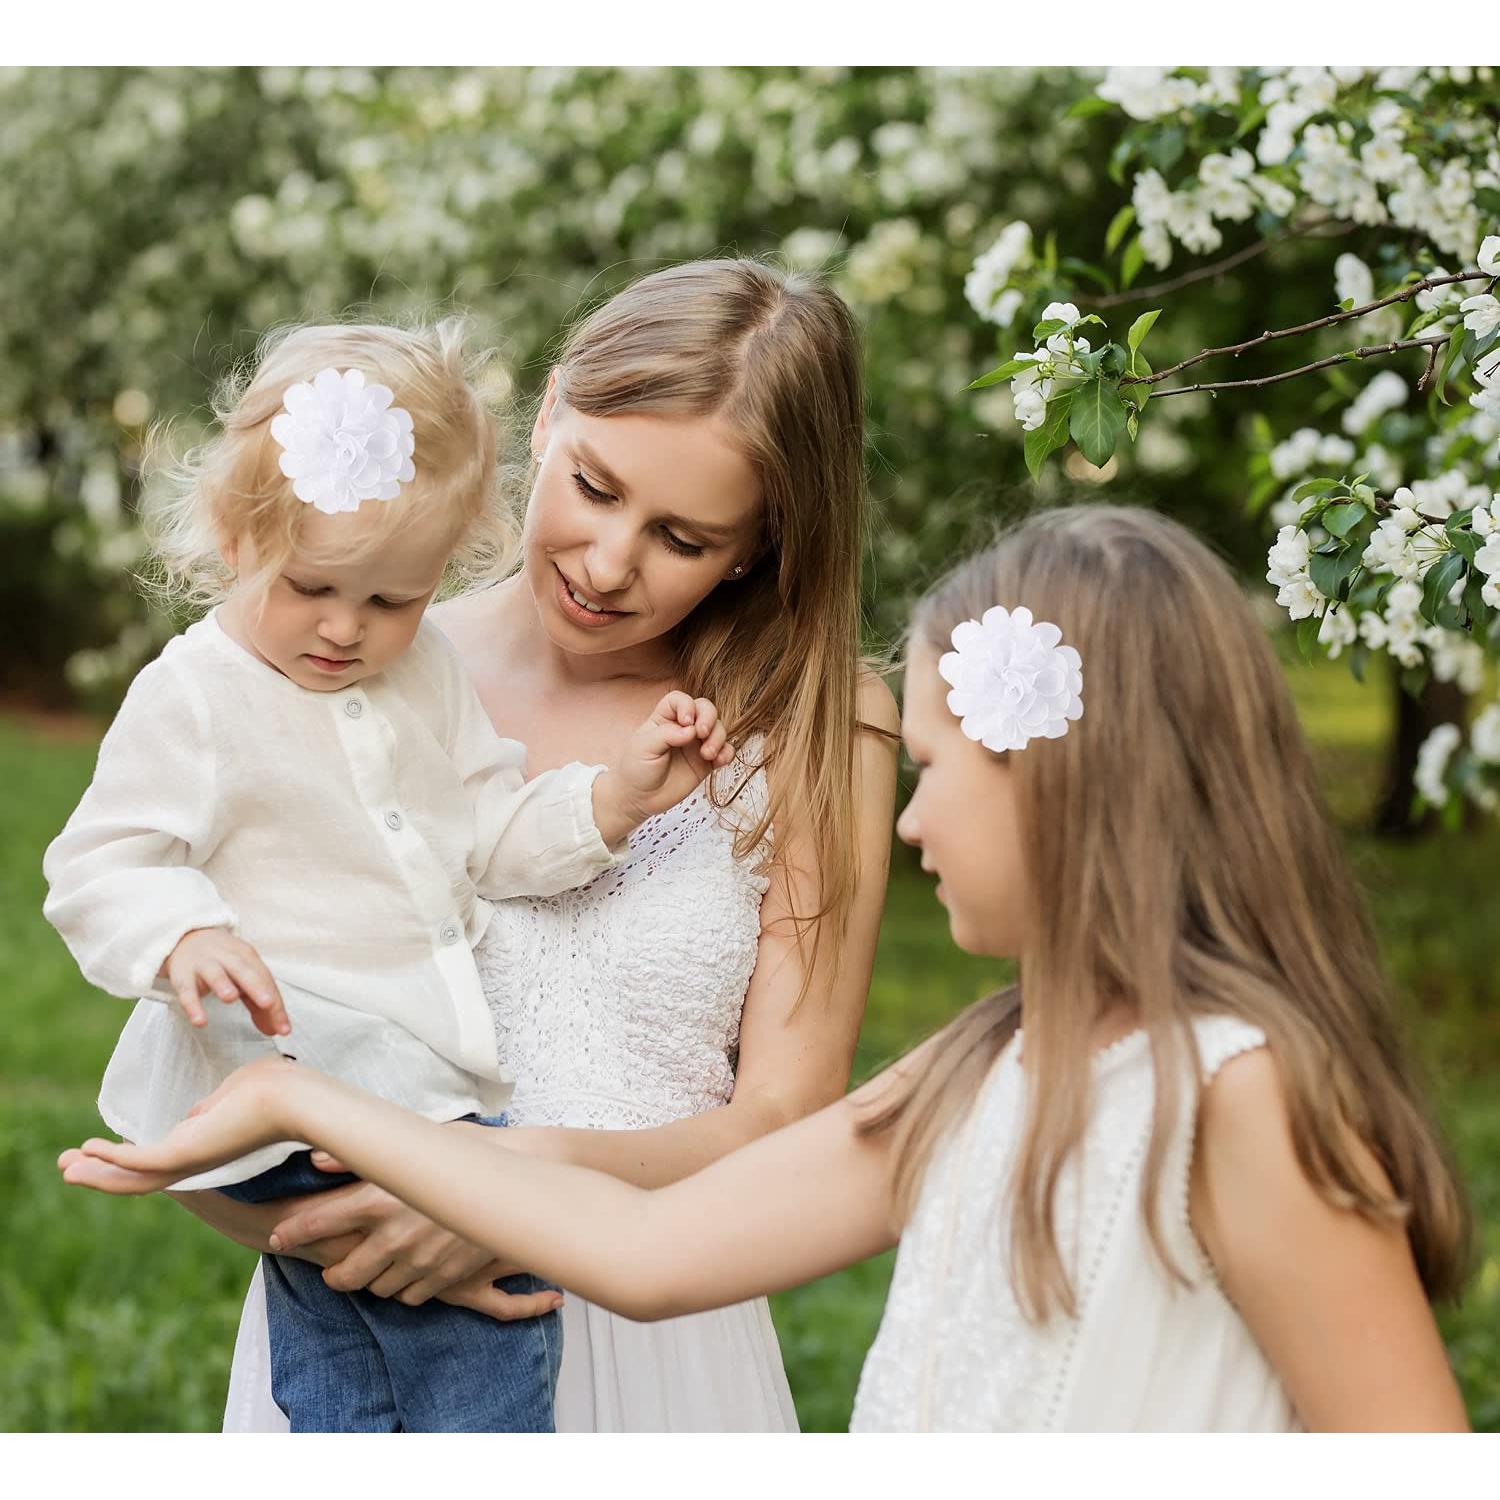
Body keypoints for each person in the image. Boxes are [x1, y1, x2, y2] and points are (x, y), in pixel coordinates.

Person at [67, 504, 1474, 1432]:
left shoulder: (1241, 1099)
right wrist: (301, 1099)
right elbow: (650, 1254)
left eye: (937, 772)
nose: (907, 822)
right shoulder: (980, 1067)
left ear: (1075, 788)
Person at [137, 260, 900, 1432]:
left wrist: (505, 1189)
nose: (609, 563)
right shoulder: (355, 672)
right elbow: (217, 1065)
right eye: (594, 486)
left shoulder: (817, 723)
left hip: (658, 1332)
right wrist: (348, 1224)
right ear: (546, 415)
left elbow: (783, 1117)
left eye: (683, 537)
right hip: (375, 1303)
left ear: (759, 545)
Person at [43, 319, 735, 1432]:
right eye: (315, 586)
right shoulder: (197, 695)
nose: (346, 629)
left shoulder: (426, 675)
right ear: (236, 534)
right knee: (491, 1321)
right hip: (295, 1076)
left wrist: (613, 799)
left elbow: (489, 835)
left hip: (391, 1083)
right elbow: (101, 859)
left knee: (342, 1355)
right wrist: (182, 935)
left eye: (391, 601)